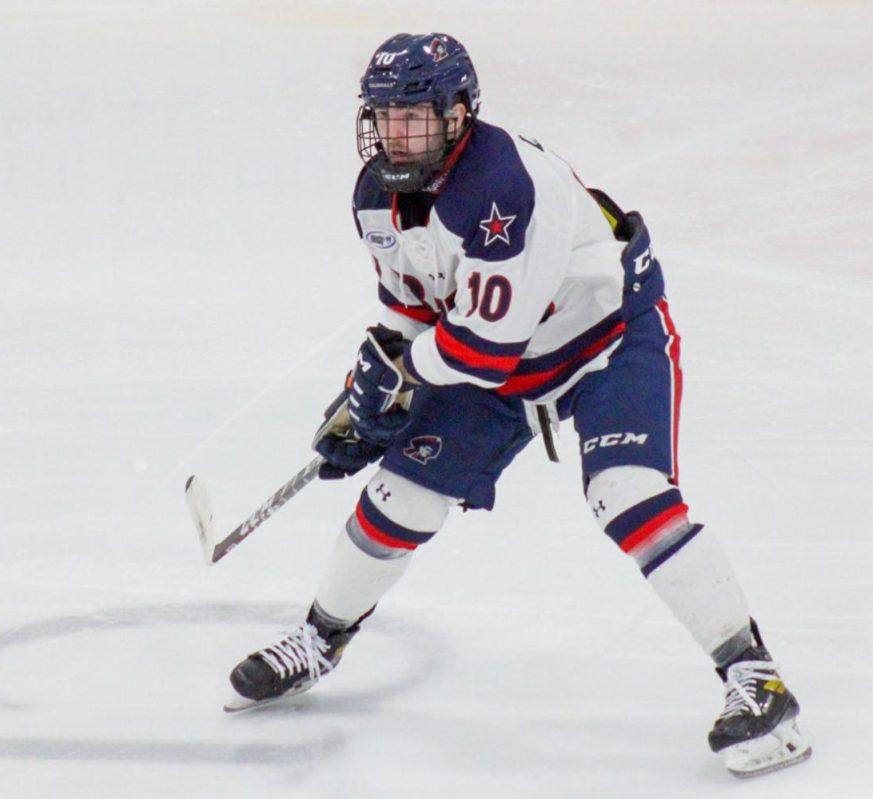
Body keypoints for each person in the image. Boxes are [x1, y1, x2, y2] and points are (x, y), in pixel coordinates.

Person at [225, 32, 811, 777]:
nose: (395, 133)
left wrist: (399, 379)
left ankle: (756, 679)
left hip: (604, 341)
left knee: (627, 495)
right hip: (497, 360)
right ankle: (320, 638)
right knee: (399, 495)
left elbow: (477, 350)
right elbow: (413, 308)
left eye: (415, 115)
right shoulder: (376, 197)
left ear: (460, 113)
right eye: (383, 115)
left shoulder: (504, 187)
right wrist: (365, 392)